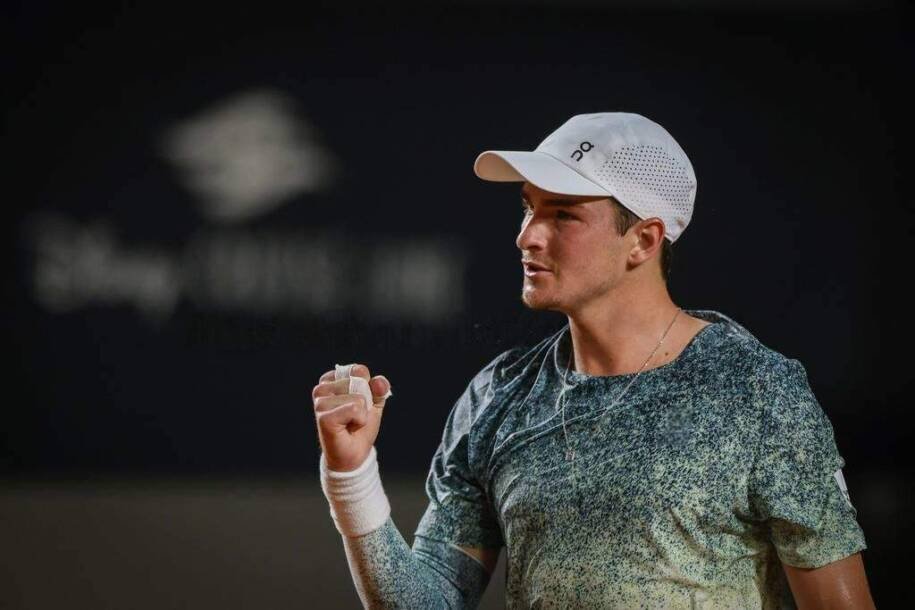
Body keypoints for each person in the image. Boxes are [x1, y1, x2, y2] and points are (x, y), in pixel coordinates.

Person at [312, 112, 876, 609]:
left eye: (563, 215)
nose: (526, 236)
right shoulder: (497, 398)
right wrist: (351, 475)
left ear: (644, 240)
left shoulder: (756, 390)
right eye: (529, 209)